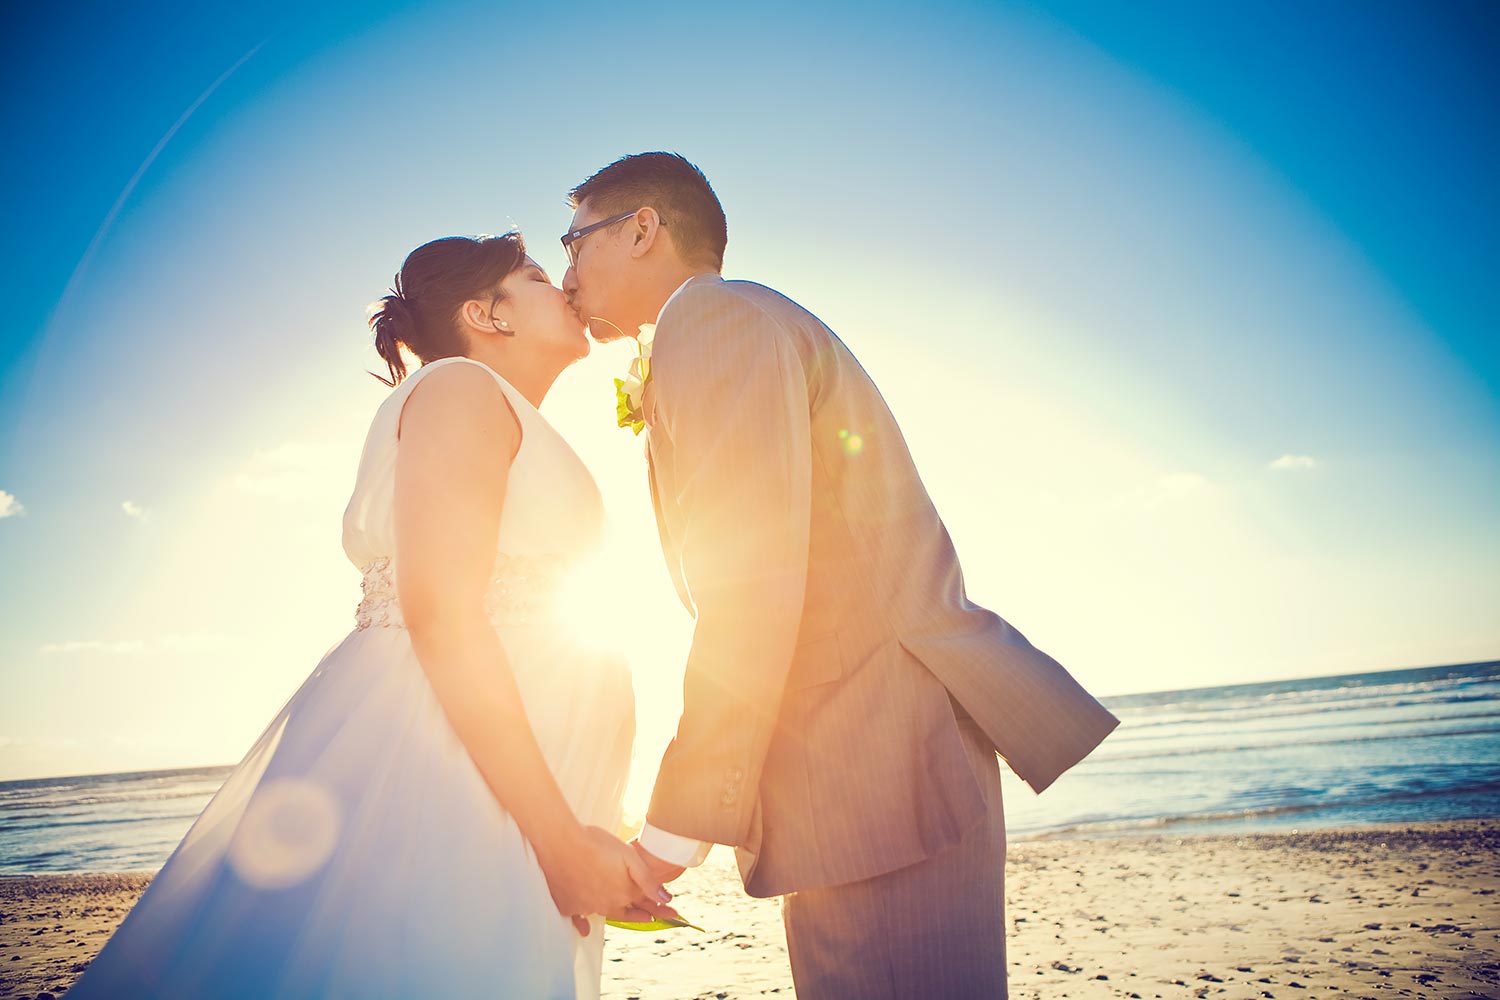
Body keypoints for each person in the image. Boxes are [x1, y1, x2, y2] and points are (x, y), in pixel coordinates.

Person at [561, 152, 1122, 999]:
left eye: (573, 242)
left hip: (873, 761)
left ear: (642, 228)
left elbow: (748, 583)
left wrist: (675, 830)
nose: (566, 272)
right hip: (873, 759)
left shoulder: (711, 319)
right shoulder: (736, 319)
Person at [65, 233, 675, 1000]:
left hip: (508, 782)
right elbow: (444, 614)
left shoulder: (496, 406)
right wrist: (558, 844)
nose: (565, 290)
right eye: (535, 276)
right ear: (487, 315)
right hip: (447, 775)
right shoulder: (460, 388)